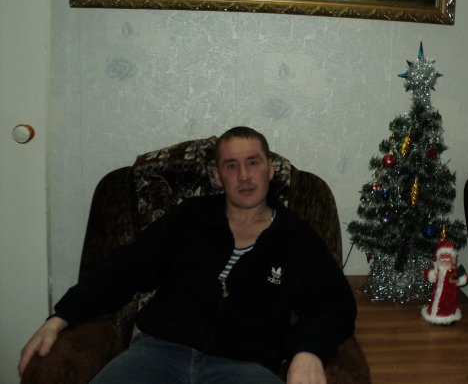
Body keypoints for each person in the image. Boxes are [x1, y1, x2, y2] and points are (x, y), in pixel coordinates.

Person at [19, 127, 356, 383]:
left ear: (269, 169)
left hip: (244, 365)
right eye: (231, 165)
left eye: (253, 162)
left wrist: (309, 350)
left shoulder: (296, 237)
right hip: (157, 353)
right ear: (217, 176)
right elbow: (123, 269)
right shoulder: (190, 217)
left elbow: (334, 305)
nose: (244, 175)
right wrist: (60, 318)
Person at [421, 239, 468, 325]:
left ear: (452, 258)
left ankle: (447, 318)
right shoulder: (437, 270)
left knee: (447, 308)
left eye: (447, 257)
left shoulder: (454, 271)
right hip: (435, 298)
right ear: (438, 258)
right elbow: (426, 273)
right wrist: (432, 274)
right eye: (442, 257)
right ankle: (434, 315)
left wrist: (458, 280)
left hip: (449, 299)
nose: (445, 259)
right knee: (435, 304)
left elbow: (466, 278)